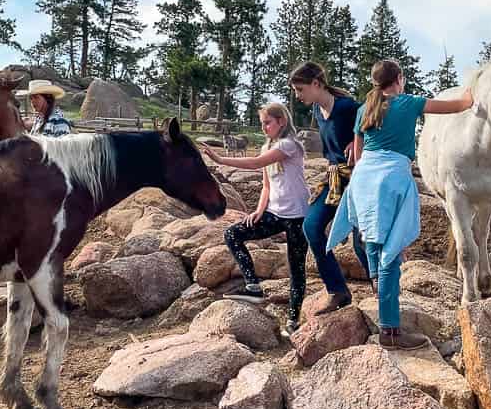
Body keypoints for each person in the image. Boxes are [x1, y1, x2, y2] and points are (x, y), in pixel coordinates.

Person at [327, 59, 474, 348]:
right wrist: (476, 89)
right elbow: (459, 105)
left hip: (365, 179)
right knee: (391, 255)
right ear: (400, 79)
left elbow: (357, 154)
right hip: (392, 178)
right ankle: (390, 331)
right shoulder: (409, 102)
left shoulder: (364, 109)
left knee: (372, 243)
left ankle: (383, 307)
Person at [201, 103, 309, 336]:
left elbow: (256, 163)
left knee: (297, 268)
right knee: (232, 234)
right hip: (275, 214)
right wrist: (259, 210)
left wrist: (221, 159)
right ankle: (252, 286)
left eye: (267, 122)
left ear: (281, 121)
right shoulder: (267, 146)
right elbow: (267, 184)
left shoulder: (289, 145)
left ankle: (293, 319)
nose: (263, 127)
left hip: (298, 217)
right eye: (261, 123)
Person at [289, 62, 368, 314]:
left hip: (359, 178)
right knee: (311, 226)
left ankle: (382, 290)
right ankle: (338, 290)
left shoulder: (347, 107)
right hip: (335, 177)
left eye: (300, 89)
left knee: (361, 242)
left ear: (316, 84)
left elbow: (373, 117)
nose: (297, 95)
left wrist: (360, 140)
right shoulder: (316, 110)